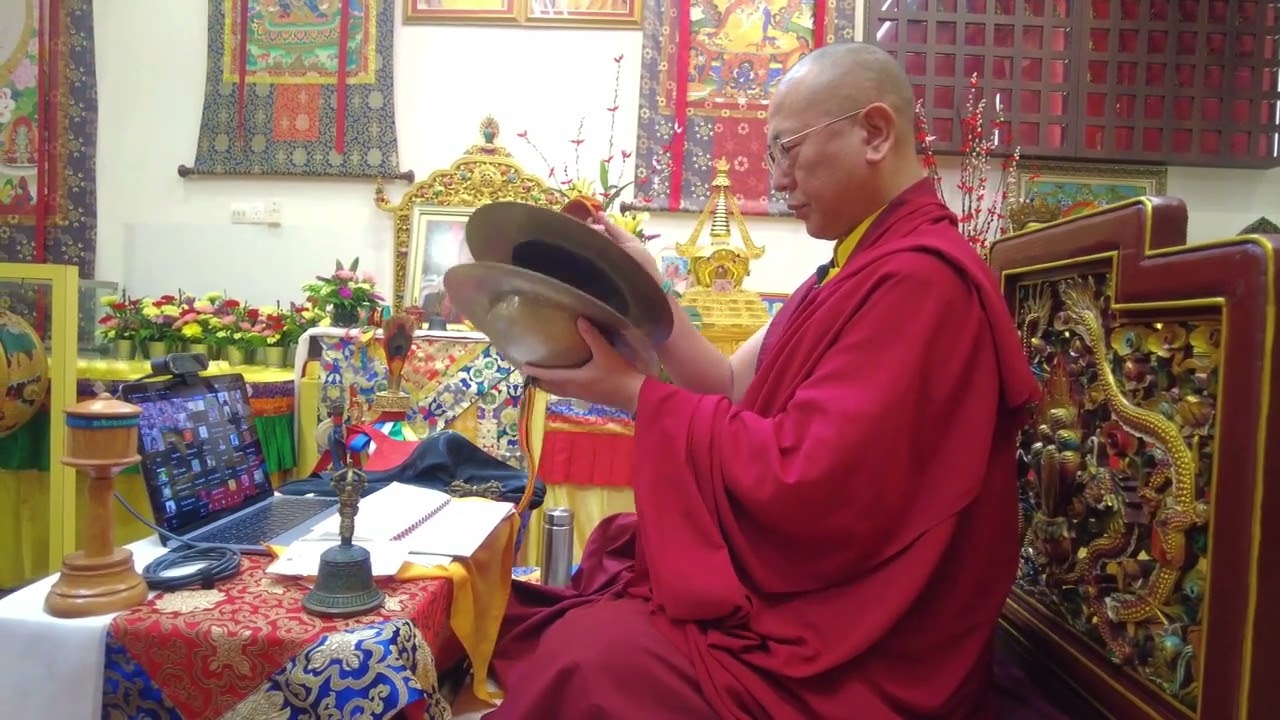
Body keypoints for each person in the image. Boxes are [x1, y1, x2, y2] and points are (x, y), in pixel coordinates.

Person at [486, 42, 1041, 719]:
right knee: (605, 572)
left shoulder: (923, 283)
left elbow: (808, 482)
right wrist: (648, 288)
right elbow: (725, 385)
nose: (776, 179)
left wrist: (630, 394)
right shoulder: (847, 268)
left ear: (873, 133)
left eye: (786, 150)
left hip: (865, 645)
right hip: (815, 595)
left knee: (592, 658)